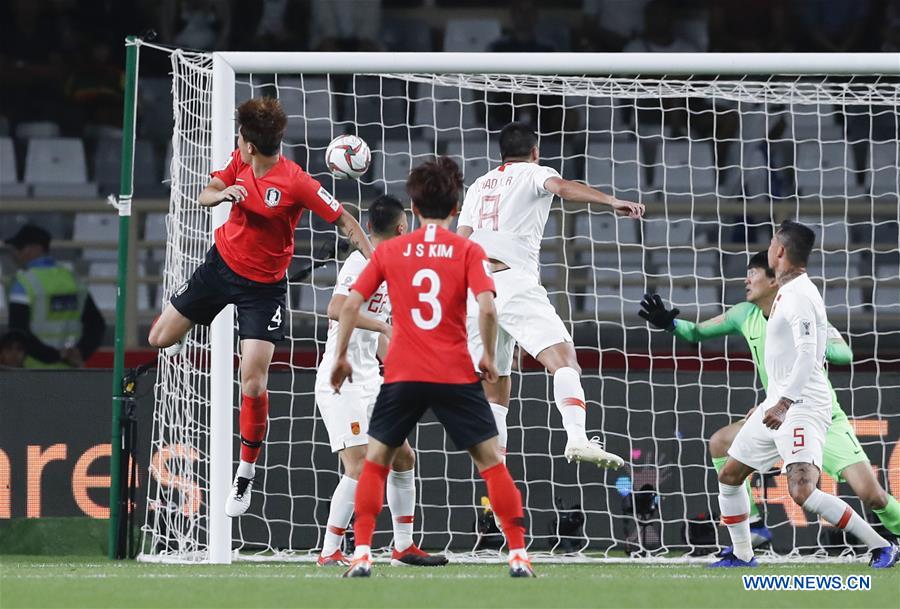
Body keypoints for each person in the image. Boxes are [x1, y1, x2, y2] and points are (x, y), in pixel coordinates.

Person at [148, 97, 373, 518]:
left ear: (251, 144)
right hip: (219, 268)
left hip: (264, 291)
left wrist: (377, 262)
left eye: (240, 138)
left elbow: (345, 220)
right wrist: (222, 194)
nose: (238, 142)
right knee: (159, 339)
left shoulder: (297, 182)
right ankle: (185, 330)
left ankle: (245, 473)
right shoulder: (240, 161)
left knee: (252, 382)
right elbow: (204, 195)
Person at [331, 157, 535, 578]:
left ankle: (363, 553)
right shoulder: (468, 250)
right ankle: (518, 554)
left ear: (414, 207)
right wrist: (488, 355)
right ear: (456, 207)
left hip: (403, 371)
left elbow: (349, 306)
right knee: (491, 462)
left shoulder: (391, 250)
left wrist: (341, 356)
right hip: (453, 371)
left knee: (376, 462)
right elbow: (488, 308)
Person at [640, 250, 900, 553]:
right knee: (721, 443)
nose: (746, 280)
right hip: (777, 414)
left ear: (774, 280)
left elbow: (845, 354)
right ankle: (753, 528)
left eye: (753, 273)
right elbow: (697, 332)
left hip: (819, 416)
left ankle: (889, 537)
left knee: (873, 496)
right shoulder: (744, 314)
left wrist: (812, 345)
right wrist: (670, 324)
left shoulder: (802, 312)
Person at [705, 221, 898, 568]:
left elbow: (810, 354)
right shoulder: (786, 291)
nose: (767, 250)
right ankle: (742, 554)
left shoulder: (799, 295)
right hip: (778, 404)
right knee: (730, 476)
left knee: (802, 491)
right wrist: (775, 401)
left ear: (780, 251)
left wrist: (783, 403)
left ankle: (882, 545)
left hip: (801, 407)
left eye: (771, 244)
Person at [457, 122, 644, 468]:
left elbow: (462, 238)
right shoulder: (535, 173)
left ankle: (496, 481)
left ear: (501, 154)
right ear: (535, 152)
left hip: (475, 288)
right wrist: (611, 200)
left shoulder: (478, 185)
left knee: (494, 385)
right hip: (513, 281)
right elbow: (563, 188)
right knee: (564, 361)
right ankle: (577, 438)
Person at [315, 194, 446, 568]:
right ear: (402, 228)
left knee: (403, 457)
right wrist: (382, 325)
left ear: (369, 226)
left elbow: (379, 341)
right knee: (359, 466)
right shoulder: (360, 262)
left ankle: (403, 548)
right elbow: (336, 309)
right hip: (341, 380)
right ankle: (330, 550)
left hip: (370, 380)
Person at [4, 224, 106, 368]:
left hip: (33, 369)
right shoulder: (72, 279)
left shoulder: (23, 283)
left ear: (35, 248)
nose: (16, 254)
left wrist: (55, 355)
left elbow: (19, 332)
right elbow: (96, 324)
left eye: (20, 248)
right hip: (71, 368)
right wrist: (80, 352)